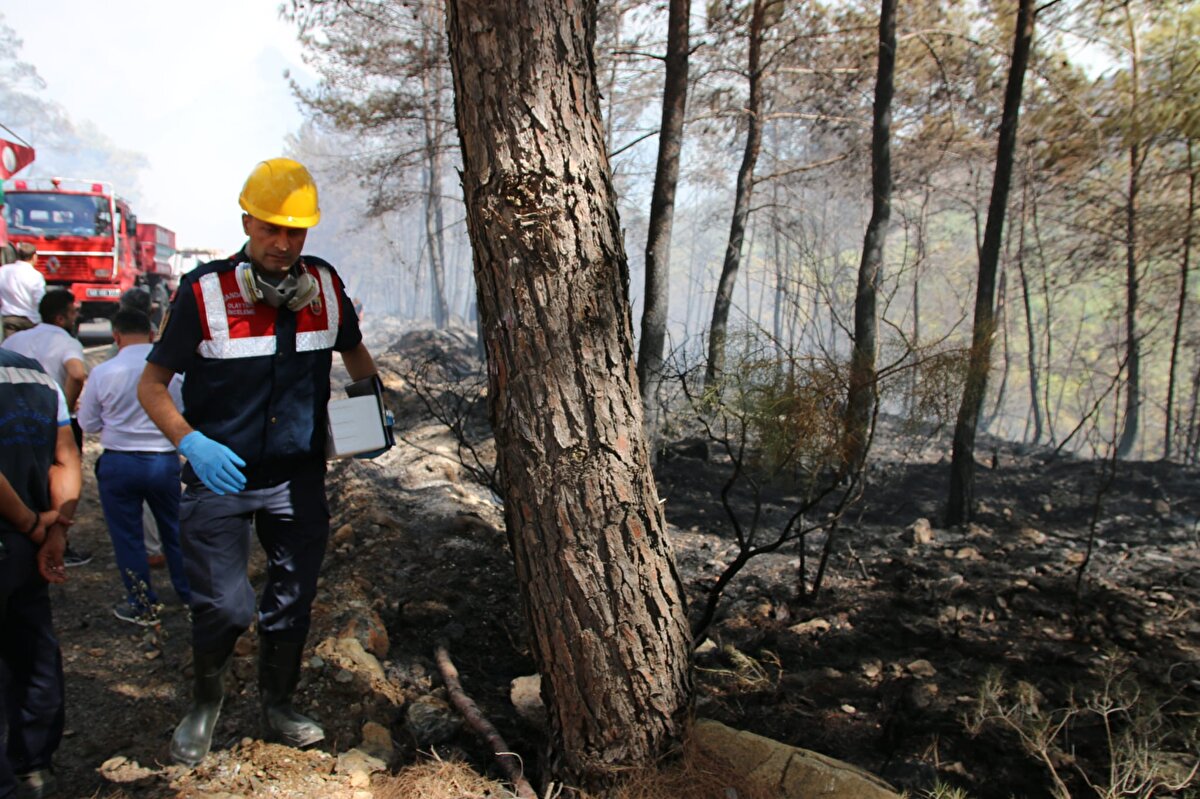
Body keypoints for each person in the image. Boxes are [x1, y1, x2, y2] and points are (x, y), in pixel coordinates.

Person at [137, 157, 382, 767]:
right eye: (271, 228)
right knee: (226, 605)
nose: (282, 242)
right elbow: (151, 387)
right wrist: (190, 442)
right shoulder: (203, 291)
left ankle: (278, 704)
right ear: (246, 219)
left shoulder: (323, 285)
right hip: (220, 477)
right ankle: (205, 704)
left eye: (295, 231)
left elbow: (357, 359)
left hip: (297, 477)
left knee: (292, 599)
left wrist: (369, 416)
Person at [0, 347, 81, 799]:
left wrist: (33, 525)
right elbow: (65, 458)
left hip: (21, 530)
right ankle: (34, 767)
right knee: (32, 651)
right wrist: (54, 532)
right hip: (28, 546)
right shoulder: (33, 375)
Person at [77, 310, 191, 626]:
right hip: (161, 461)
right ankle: (189, 595)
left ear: (116, 336)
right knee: (175, 530)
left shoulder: (103, 372)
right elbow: (183, 417)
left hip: (119, 463)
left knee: (127, 536)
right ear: (152, 334)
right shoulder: (172, 375)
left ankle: (142, 604)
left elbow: (87, 422)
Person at [1, 290, 91, 568]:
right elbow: (76, 373)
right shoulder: (53, 366)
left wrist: (33, 524)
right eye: (74, 312)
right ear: (61, 317)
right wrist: (54, 532)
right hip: (46, 413)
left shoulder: (15, 340)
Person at [0, 243, 47, 341]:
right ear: (34, 257)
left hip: (8, 319)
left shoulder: (3, 271)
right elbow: (39, 300)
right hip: (30, 321)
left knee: (10, 350)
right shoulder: (36, 276)